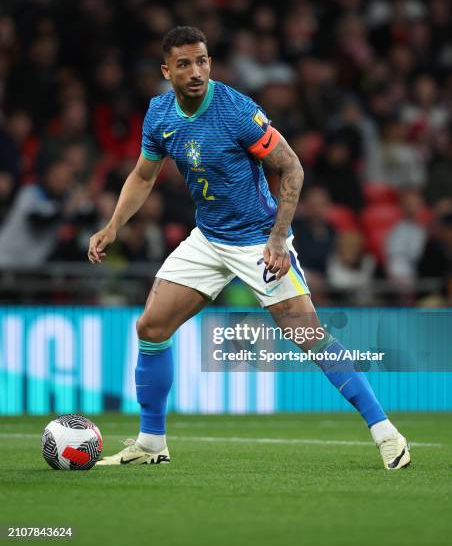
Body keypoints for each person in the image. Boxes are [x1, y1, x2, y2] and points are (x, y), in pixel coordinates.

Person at [88, 26, 410, 470]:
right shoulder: (159, 113)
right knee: (151, 327)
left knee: (308, 336)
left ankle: (386, 432)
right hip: (208, 238)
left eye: (202, 60)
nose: (196, 70)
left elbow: (291, 168)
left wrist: (278, 239)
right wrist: (113, 226)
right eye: (184, 64)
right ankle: (150, 443)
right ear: (167, 72)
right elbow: (143, 176)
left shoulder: (236, 110)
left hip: (258, 239)